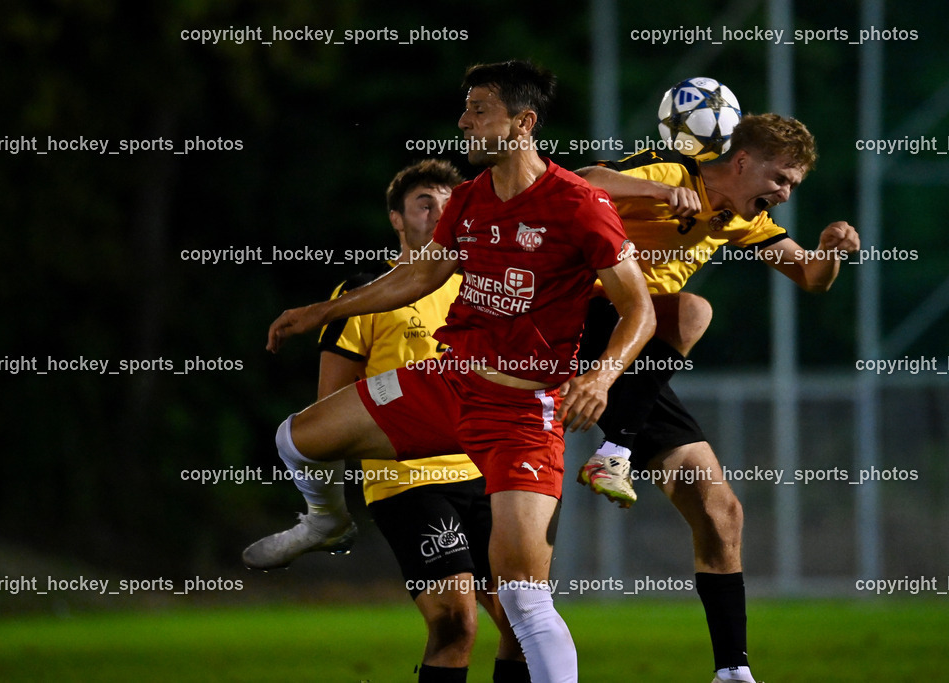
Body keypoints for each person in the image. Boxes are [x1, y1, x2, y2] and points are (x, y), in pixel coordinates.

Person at [243, 60, 656, 683]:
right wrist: (321, 310)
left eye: (478, 109)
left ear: (524, 123)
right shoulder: (468, 199)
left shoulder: (579, 205)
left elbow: (639, 310)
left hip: (520, 415)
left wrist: (598, 379)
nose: (463, 120)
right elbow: (418, 277)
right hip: (447, 385)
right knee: (294, 439)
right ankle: (326, 520)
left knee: (521, 601)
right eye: (464, 108)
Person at [574, 113, 861, 683]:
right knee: (693, 310)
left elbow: (809, 277)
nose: (784, 194)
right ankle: (614, 452)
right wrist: (661, 190)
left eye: (793, 186)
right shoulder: (674, 172)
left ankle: (733, 672)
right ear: (741, 162)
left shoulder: (738, 218)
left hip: (632, 358)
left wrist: (833, 251)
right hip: (573, 321)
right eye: (780, 179)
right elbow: (581, 179)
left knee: (718, 508)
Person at [317, 159, 528, 682]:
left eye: (446, 202)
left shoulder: (484, 288)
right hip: (407, 479)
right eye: (423, 203)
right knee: (455, 622)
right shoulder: (366, 292)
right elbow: (330, 406)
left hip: (485, 472)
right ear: (396, 219)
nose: (437, 211)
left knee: (525, 623)